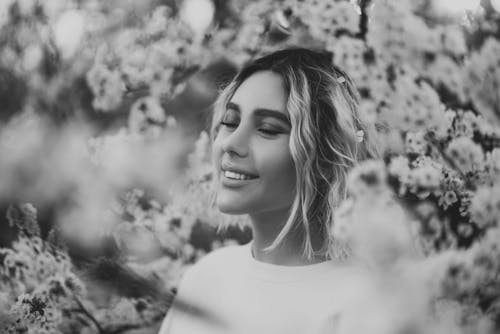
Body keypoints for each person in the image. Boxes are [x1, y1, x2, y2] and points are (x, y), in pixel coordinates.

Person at [159, 48, 380, 334]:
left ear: (325, 157)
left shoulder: (365, 304)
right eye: (230, 122)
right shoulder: (205, 278)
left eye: (267, 129)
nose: (231, 144)